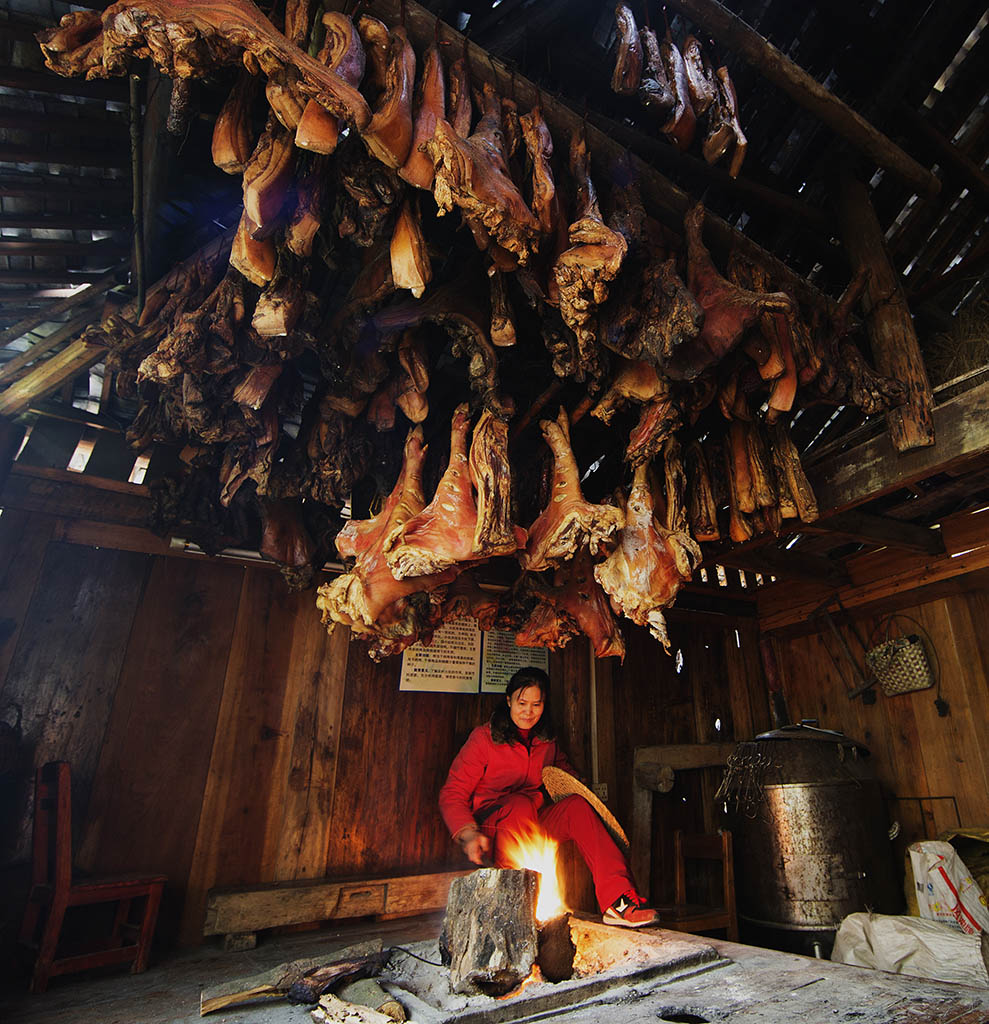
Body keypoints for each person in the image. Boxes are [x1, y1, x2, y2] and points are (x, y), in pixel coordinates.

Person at [439, 666, 658, 928]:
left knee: (577, 807)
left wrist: (579, 783)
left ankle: (619, 902)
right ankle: (515, 906)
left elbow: (560, 770)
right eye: (521, 703)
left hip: (531, 821)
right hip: (493, 830)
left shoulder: (546, 740)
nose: (528, 712)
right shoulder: (483, 739)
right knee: (519, 805)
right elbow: (452, 793)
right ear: (508, 701)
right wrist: (469, 834)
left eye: (536, 704)